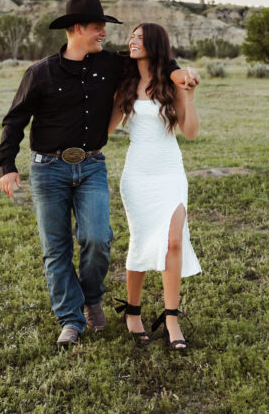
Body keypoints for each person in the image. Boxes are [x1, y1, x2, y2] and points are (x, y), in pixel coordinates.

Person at [0, 0, 199, 347]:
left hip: (91, 165)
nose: (104, 33)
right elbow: (15, 119)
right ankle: (71, 321)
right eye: (97, 27)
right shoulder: (40, 72)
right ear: (76, 29)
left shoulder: (110, 64)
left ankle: (92, 298)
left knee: (97, 239)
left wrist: (179, 72)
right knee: (56, 248)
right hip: (47, 169)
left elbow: (156, 57)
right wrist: (7, 166)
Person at [108, 22, 200, 351]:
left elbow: (189, 132)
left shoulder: (170, 82)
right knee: (142, 240)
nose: (132, 41)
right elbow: (104, 131)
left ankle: (171, 319)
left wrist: (188, 96)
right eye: (131, 36)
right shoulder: (126, 83)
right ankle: (133, 313)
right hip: (137, 176)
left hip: (170, 172)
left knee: (174, 241)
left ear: (155, 44)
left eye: (140, 37)